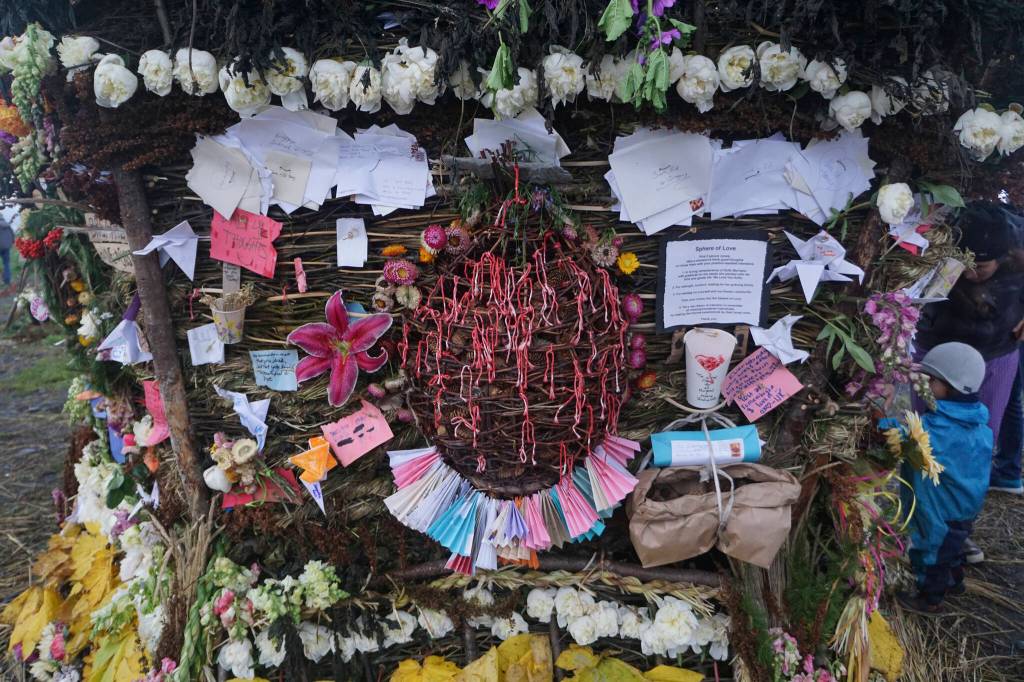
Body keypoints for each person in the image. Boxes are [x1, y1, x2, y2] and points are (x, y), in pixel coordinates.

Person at [915, 201, 1024, 555]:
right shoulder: (944, 237)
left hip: (994, 352)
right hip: (935, 347)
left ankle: (957, 532)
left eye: (983, 267)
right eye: (966, 264)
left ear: (1004, 256)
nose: (972, 273)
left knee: (976, 443)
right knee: (921, 433)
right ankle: (914, 518)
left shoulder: (1016, 241)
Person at [892, 342, 992, 613]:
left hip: (941, 509)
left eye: (932, 381)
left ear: (950, 386)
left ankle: (929, 599)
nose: (924, 386)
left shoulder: (936, 431)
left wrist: (884, 424)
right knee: (954, 547)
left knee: (932, 552)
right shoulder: (979, 426)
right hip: (964, 507)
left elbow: (906, 439)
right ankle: (955, 582)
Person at [0, 214, 13, 291]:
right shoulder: (7, 225)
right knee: (6, 264)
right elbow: (12, 235)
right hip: (6, 247)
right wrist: (11, 243)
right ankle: (7, 280)